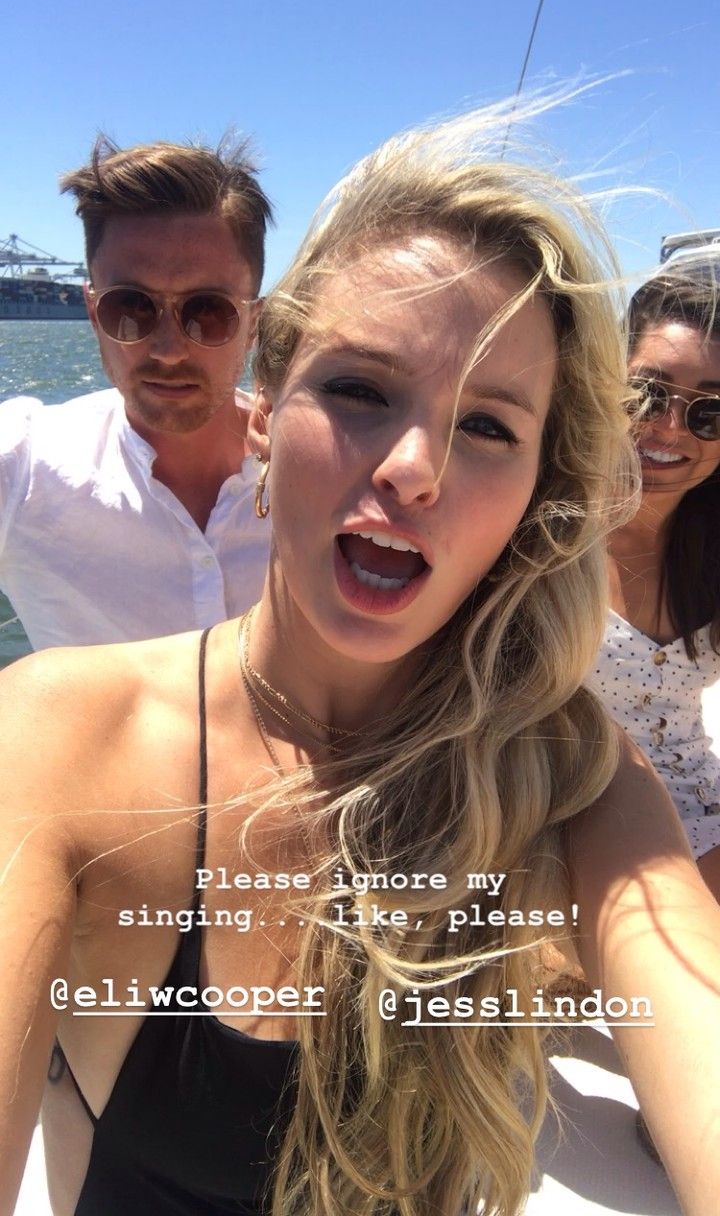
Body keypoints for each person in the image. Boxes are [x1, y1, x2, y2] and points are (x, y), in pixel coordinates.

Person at [3, 105, 720, 1216]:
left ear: (534, 492)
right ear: (263, 418)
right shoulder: (57, 738)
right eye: (358, 389)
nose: (414, 467)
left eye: (488, 425)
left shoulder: (575, 778)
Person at [0, 136, 273, 651]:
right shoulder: (24, 467)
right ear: (92, 312)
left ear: (254, 322)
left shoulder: (319, 475)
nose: (168, 351)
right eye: (130, 308)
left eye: (208, 312)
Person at [589, 265, 720, 896]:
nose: (670, 428)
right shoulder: (538, 531)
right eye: (648, 393)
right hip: (573, 813)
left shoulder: (711, 546)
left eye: (710, 413)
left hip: (701, 808)